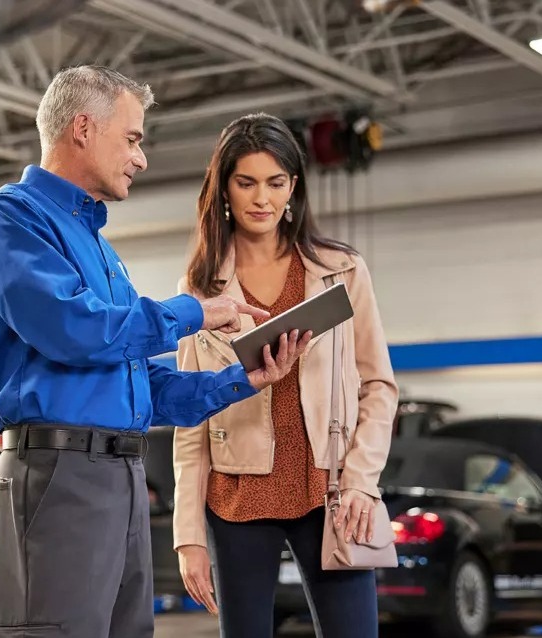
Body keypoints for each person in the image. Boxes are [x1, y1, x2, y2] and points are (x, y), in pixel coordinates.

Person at [0, 67, 313, 638]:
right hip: (57, 475)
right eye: (132, 139)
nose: (140, 158)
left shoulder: (101, 249)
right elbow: (73, 331)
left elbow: (135, 380)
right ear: (82, 128)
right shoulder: (12, 217)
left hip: (122, 477)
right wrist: (191, 312)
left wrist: (240, 379)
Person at [171, 113, 398, 637]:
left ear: (293, 187)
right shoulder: (199, 290)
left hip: (330, 491)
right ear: (224, 189)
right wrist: (188, 536)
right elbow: (191, 413)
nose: (262, 199)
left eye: (275, 183)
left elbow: (379, 387)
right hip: (236, 497)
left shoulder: (342, 270)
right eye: (246, 183)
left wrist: (362, 483)